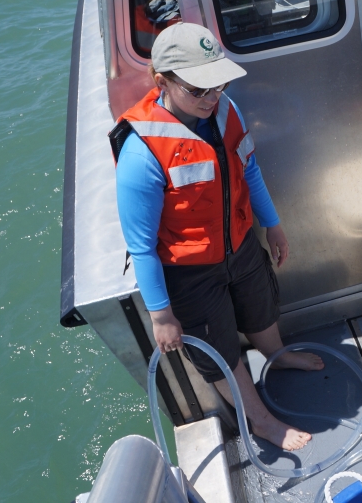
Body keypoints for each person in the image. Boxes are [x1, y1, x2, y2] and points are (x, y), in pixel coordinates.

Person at [110, 22, 323, 451]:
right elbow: (142, 246)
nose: (211, 97)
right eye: (199, 89)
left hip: (241, 246)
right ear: (162, 82)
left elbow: (250, 171)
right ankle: (261, 421)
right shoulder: (141, 153)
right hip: (189, 273)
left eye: (217, 85)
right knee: (219, 349)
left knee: (262, 308)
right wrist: (161, 315)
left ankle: (278, 359)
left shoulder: (227, 111)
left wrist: (272, 223)